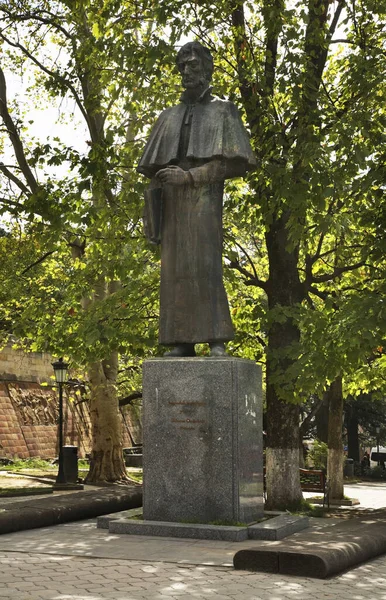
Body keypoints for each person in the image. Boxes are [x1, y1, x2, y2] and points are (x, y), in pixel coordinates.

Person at [137, 41, 256, 357]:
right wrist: (152, 212)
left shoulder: (223, 110)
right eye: (182, 66)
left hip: (203, 200)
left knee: (206, 266)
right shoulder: (168, 116)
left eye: (192, 64)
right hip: (173, 204)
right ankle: (182, 341)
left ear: (207, 68)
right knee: (175, 273)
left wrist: (189, 176)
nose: (185, 71)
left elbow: (233, 162)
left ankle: (216, 338)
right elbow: (151, 170)